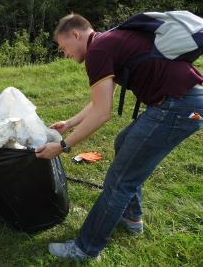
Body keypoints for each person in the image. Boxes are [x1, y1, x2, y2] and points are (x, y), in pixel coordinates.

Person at [35, 13, 203, 261]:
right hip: (181, 102)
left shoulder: (99, 50)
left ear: (75, 34)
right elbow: (99, 102)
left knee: (119, 181)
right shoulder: (108, 41)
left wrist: (62, 146)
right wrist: (69, 124)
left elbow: (103, 114)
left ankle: (85, 248)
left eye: (63, 47)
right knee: (122, 144)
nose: (64, 54)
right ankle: (132, 218)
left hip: (178, 107)